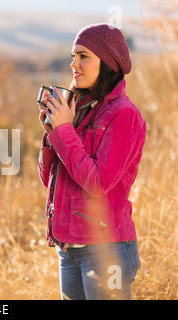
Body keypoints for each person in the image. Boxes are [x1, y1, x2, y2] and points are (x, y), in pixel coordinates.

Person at [37, 23, 147, 300]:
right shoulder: (80, 110)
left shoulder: (124, 115)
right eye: (73, 56)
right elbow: (49, 180)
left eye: (83, 55)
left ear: (107, 63)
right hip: (69, 248)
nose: (74, 64)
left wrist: (64, 132)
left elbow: (98, 182)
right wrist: (53, 134)